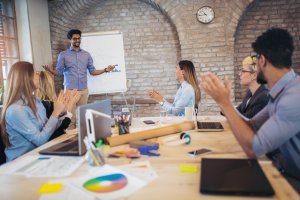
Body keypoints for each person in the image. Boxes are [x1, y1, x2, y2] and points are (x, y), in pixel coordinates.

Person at [201, 28, 300, 192]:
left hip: (293, 181)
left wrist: (224, 103)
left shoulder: (293, 97)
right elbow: (252, 125)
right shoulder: (285, 90)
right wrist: (224, 101)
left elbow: (254, 148)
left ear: (262, 60)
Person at [43, 29, 115, 129]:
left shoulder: (86, 55)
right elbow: (58, 72)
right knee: (69, 119)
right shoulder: (63, 55)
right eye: (74, 39)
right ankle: (70, 142)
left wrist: (106, 69)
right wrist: (50, 70)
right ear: (70, 40)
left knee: (83, 118)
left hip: (83, 91)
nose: (77, 40)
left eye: (79, 38)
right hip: (69, 91)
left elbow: (92, 72)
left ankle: (81, 140)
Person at [0, 61, 68, 162]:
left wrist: (60, 113)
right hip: (20, 163)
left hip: (38, 157)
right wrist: (55, 113)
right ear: (25, 78)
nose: (39, 75)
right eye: (35, 73)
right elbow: (40, 141)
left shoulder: (37, 102)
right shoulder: (15, 110)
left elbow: (48, 129)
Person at [36, 71, 81, 141]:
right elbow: (60, 128)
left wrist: (67, 105)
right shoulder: (46, 104)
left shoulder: (43, 103)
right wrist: (71, 103)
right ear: (49, 85)